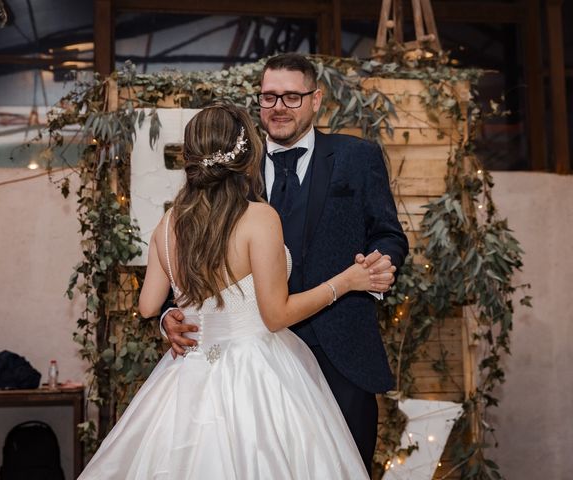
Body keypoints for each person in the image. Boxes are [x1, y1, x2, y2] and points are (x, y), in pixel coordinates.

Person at [78, 104, 382, 479]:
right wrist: (346, 282)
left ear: (189, 156)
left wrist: (170, 320)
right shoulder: (259, 218)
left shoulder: (169, 222)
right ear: (247, 154)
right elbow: (276, 316)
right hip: (258, 373)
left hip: (187, 373)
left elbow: (147, 305)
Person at [161, 53, 409, 475]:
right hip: (250, 363)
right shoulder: (231, 166)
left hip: (340, 350)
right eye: (269, 96)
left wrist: (381, 263)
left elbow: (388, 233)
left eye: (292, 97)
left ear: (316, 100)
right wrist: (172, 311)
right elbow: (193, 245)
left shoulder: (357, 157)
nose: (279, 106)